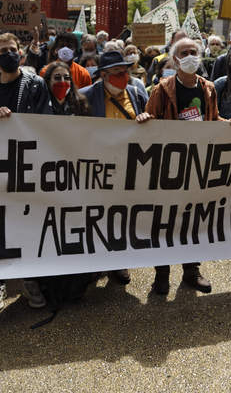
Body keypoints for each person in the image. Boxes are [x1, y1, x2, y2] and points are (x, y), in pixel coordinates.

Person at [137, 36, 231, 296]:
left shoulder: (209, 88)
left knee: (193, 219)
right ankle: (162, 275)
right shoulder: (162, 89)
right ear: (175, 59)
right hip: (168, 167)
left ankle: (192, 271)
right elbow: (150, 118)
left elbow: (211, 118)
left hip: (198, 165)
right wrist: (145, 117)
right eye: (184, 52)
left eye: (193, 51)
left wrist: (226, 124)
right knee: (164, 221)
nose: (190, 55)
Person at [0, 31, 52, 312]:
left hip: (26, 165)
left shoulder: (35, 84)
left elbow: (46, 123)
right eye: (2, 50)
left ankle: (30, 280)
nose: (9, 54)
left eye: (12, 49)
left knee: (25, 225)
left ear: (21, 52)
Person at [80, 50, 148, 286]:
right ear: (104, 75)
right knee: (98, 217)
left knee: (122, 217)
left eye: (125, 72)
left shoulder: (137, 93)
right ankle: (96, 263)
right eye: (118, 73)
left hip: (129, 168)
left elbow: (151, 125)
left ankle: (118, 263)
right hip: (98, 169)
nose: (124, 76)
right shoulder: (85, 97)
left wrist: (146, 120)